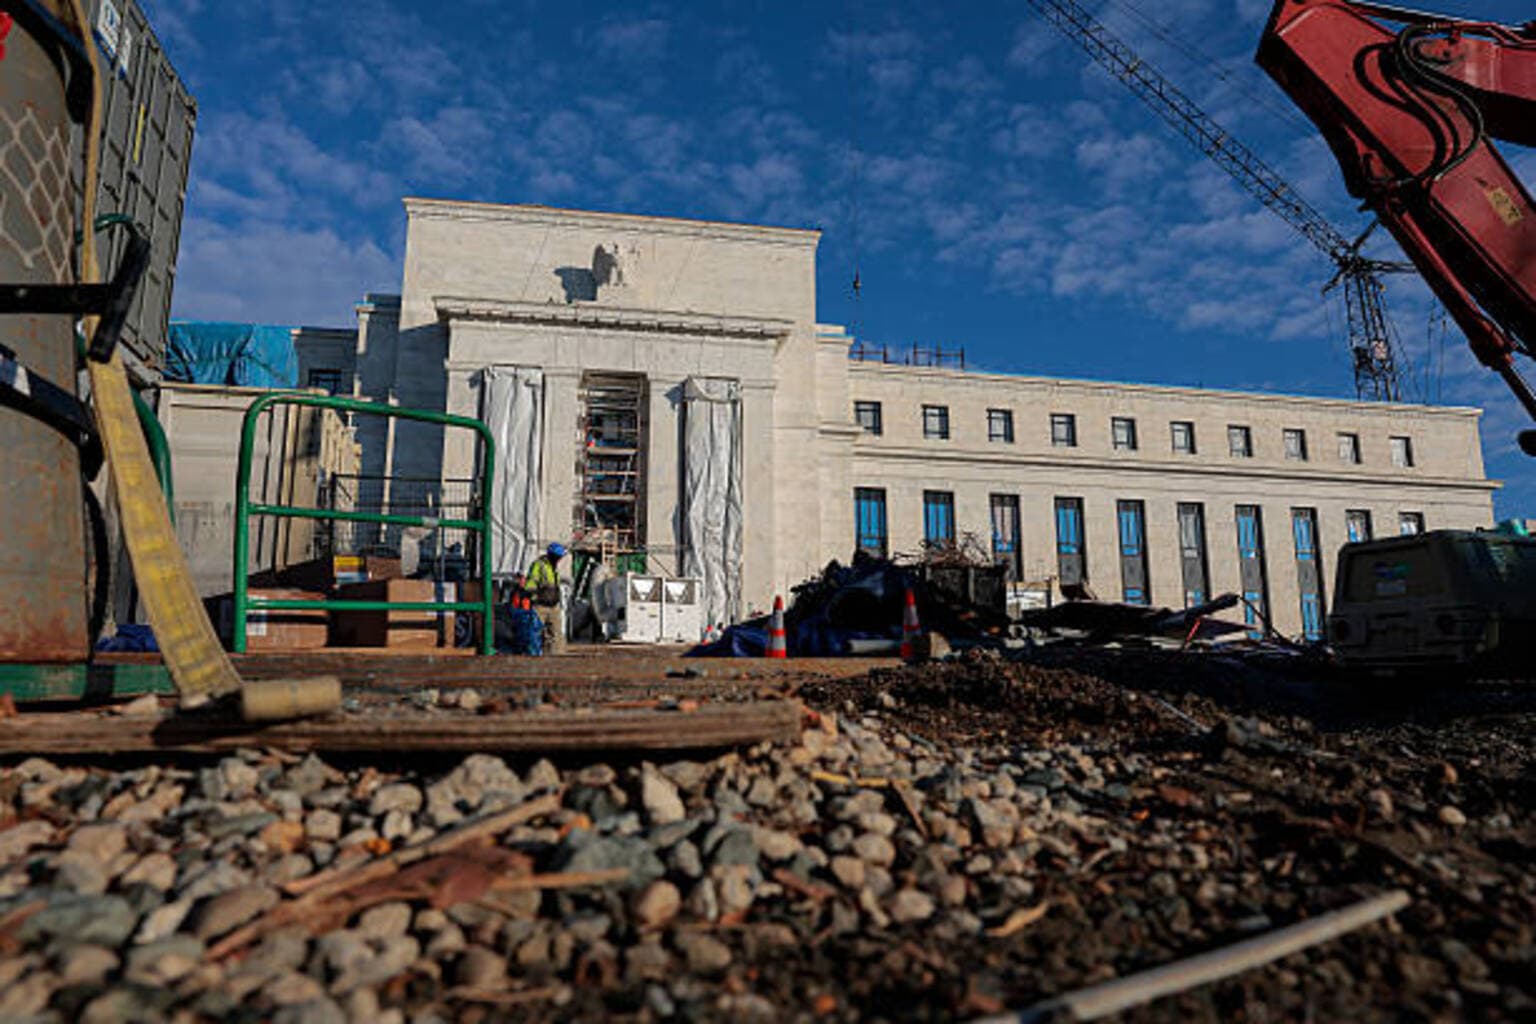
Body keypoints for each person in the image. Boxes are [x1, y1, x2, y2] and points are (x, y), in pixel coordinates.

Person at [524, 543, 568, 654]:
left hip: (553, 605)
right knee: (535, 633)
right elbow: (530, 584)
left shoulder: (554, 568)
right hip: (540, 606)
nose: (558, 559)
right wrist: (535, 596)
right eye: (557, 556)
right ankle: (534, 657)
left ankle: (556, 658)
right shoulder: (539, 565)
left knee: (556, 635)